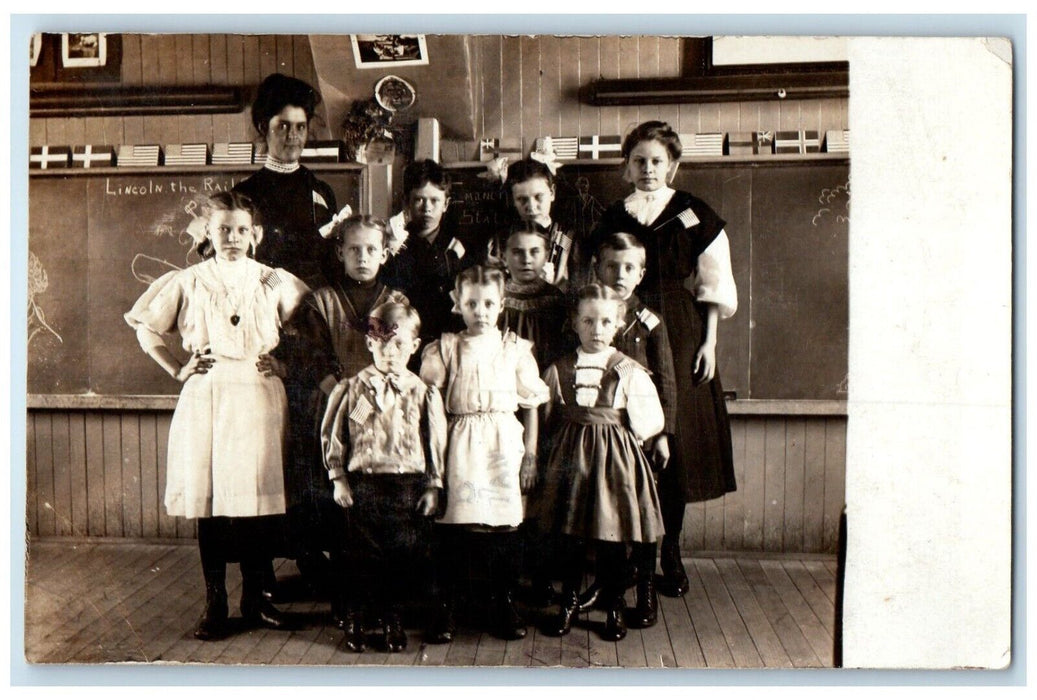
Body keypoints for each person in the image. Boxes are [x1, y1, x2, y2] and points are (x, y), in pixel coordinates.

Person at [124, 191, 308, 640]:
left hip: (260, 396)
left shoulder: (272, 280)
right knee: (212, 503)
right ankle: (216, 601)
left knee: (256, 504)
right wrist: (177, 369)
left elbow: (309, 325)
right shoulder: (188, 280)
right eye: (223, 229)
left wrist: (288, 364)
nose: (232, 237)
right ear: (208, 232)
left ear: (255, 234)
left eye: (241, 229)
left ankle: (256, 598)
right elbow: (146, 326)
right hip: (209, 396)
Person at [590, 121, 738, 598]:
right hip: (622, 325)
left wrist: (709, 343)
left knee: (673, 446)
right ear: (625, 165)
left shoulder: (695, 214)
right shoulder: (614, 215)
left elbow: (715, 284)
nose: (648, 169)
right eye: (639, 161)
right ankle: (632, 558)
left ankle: (669, 552)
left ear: (672, 164)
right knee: (622, 440)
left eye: (657, 161)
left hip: (678, 330)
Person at [233, 73, 341, 592]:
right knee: (266, 447)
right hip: (262, 337)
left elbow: (332, 269)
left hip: (311, 336)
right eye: (283, 127)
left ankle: (311, 553)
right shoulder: (244, 196)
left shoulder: (321, 193)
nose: (294, 137)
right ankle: (263, 568)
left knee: (310, 444)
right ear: (263, 129)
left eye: (301, 127)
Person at [283, 212, 408, 625]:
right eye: (353, 248)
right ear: (339, 251)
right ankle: (344, 598)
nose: (362, 256)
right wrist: (344, 395)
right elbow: (309, 359)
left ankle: (380, 598)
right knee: (338, 505)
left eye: (371, 249)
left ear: (385, 253)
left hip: (385, 418)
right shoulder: (319, 301)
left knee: (378, 507)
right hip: (336, 409)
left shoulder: (396, 302)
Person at [419, 265, 549, 642]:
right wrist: (436, 460)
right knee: (456, 528)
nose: (481, 311)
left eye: (489, 303)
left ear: (502, 304)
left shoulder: (515, 349)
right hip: (459, 440)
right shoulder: (446, 347)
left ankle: (503, 602)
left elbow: (532, 403)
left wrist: (531, 456)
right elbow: (430, 402)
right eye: (472, 303)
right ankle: (448, 606)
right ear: (457, 303)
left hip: (503, 442)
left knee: (502, 528)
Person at [534, 284, 666, 642]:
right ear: (574, 323)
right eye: (588, 321)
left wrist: (628, 441)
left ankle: (614, 605)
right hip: (571, 461)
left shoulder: (629, 371)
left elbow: (649, 421)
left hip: (615, 463)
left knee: (612, 537)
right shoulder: (558, 369)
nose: (596, 329)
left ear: (618, 325)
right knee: (570, 535)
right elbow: (545, 417)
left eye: (605, 321)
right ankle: (569, 602)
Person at [320, 302, 447, 653]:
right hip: (366, 486)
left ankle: (392, 618)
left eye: (399, 345)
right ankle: (358, 620)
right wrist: (339, 477)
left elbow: (434, 440)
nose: (390, 352)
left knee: (400, 556)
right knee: (361, 556)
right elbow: (337, 435)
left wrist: (434, 484)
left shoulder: (423, 392)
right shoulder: (354, 389)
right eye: (382, 343)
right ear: (369, 343)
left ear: (414, 346)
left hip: (406, 485)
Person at [576, 232, 678, 627]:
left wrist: (662, 435)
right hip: (603, 436)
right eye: (611, 266)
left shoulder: (648, 322)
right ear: (597, 268)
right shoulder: (590, 312)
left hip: (638, 435)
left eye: (629, 267)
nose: (620, 274)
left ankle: (647, 588)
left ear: (641, 273)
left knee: (642, 513)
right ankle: (607, 584)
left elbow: (665, 379)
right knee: (607, 512)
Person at [381, 160, 484, 351]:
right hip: (407, 344)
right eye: (419, 199)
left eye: (435, 201)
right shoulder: (394, 247)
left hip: (451, 343)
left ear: (446, 204)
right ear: (406, 202)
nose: (427, 208)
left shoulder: (459, 248)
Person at [491, 159, 578, 289]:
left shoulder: (568, 239)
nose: (531, 207)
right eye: (522, 199)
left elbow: (580, 289)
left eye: (539, 197)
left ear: (552, 193)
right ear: (513, 200)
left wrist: (555, 285)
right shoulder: (500, 241)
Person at [498, 224, 571, 372]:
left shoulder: (556, 301)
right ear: (504, 255)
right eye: (517, 252)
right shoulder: (493, 297)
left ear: (546, 255)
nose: (526, 260)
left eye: (534, 252)